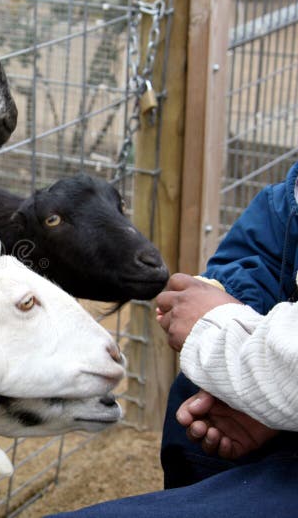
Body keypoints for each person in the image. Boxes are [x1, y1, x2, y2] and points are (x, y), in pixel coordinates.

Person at [47, 161, 298, 517]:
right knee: (200, 393)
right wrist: (227, 293)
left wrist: (222, 329)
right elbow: (270, 243)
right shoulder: (288, 197)